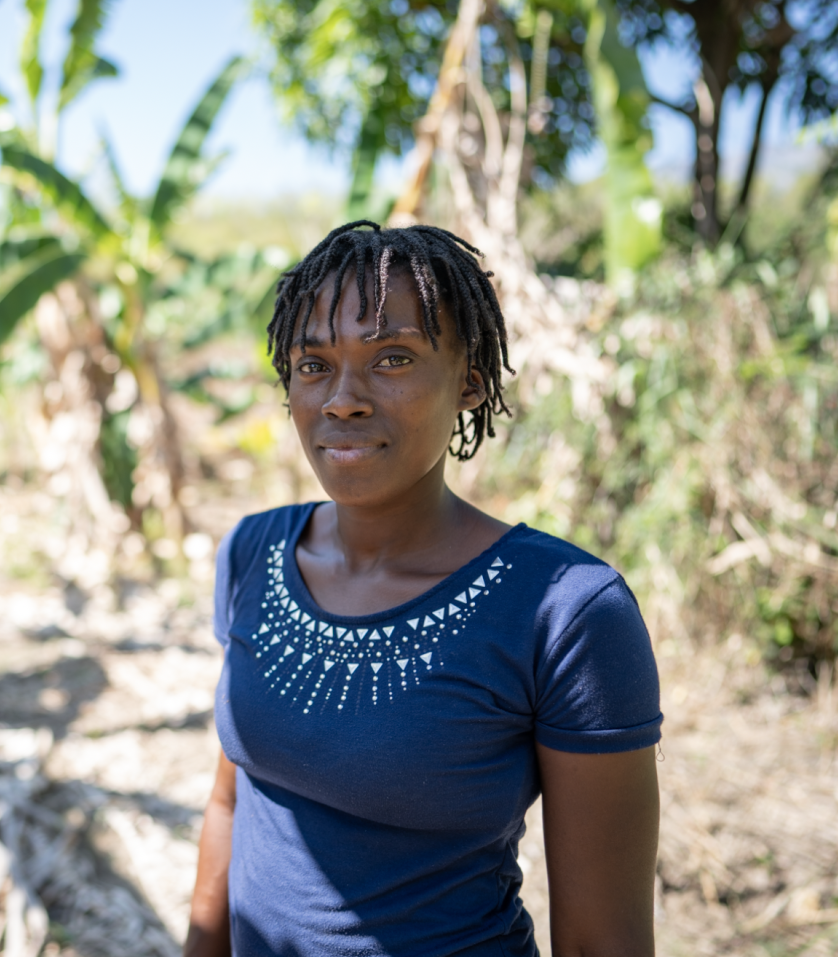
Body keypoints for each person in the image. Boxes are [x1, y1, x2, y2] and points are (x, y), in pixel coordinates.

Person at [184, 222, 661, 957]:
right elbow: (232, 800)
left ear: (469, 380)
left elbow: (605, 940)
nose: (342, 399)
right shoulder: (254, 552)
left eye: (393, 358)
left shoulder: (564, 609)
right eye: (313, 364)